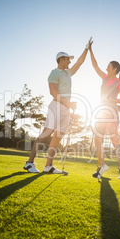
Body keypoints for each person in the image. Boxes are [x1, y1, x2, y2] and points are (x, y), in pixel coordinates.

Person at [24, 41, 90, 174]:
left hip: (66, 109)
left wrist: (86, 49)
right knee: (46, 133)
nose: (70, 62)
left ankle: (48, 166)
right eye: (67, 59)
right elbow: (53, 92)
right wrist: (69, 103)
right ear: (61, 60)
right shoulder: (54, 73)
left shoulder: (68, 73)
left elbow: (79, 62)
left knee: (57, 137)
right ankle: (29, 163)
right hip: (56, 106)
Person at [89, 41, 120, 180]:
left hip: (112, 113)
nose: (106, 68)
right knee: (97, 138)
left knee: (114, 140)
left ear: (114, 69)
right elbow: (95, 65)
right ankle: (102, 165)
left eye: (108, 67)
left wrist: (110, 99)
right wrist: (90, 50)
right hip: (102, 112)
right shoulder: (105, 78)